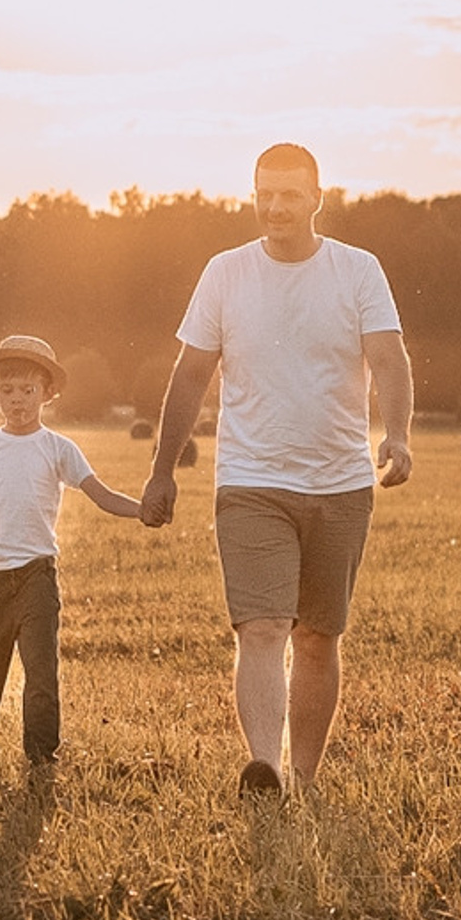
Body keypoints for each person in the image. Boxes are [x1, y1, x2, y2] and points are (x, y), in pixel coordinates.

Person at [139, 144, 413, 797]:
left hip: (340, 483)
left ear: (318, 198)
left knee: (318, 637)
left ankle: (306, 779)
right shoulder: (226, 274)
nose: (275, 206)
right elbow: (191, 375)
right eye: (265, 193)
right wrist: (163, 470)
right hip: (251, 479)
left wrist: (397, 435)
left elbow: (390, 359)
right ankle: (265, 768)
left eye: (290, 194)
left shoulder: (357, 271)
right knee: (261, 627)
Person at [0, 334, 142, 769]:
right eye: (8, 391)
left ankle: (42, 757)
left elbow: (101, 496)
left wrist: (145, 511)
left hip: (36, 575)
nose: (18, 400)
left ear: (48, 393)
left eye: (28, 391)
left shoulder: (59, 449)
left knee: (41, 673)